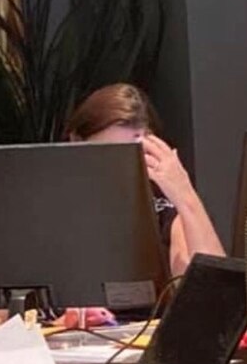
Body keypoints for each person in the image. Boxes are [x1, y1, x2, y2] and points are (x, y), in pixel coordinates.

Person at [66, 83, 225, 277]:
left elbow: (215, 287)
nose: (119, 169)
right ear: (76, 144)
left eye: (132, 155)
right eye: (107, 154)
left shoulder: (162, 208)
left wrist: (184, 195)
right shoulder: (61, 204)